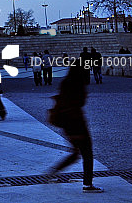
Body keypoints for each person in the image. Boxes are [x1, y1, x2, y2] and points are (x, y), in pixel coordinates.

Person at [47, 63, 103, 193]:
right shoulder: (78, 84)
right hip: (77, 122)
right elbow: (81, 102)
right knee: (87, 153)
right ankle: (88, 184)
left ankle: (54, 171)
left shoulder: (65, 82)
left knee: (76, 151)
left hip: (66, 123)